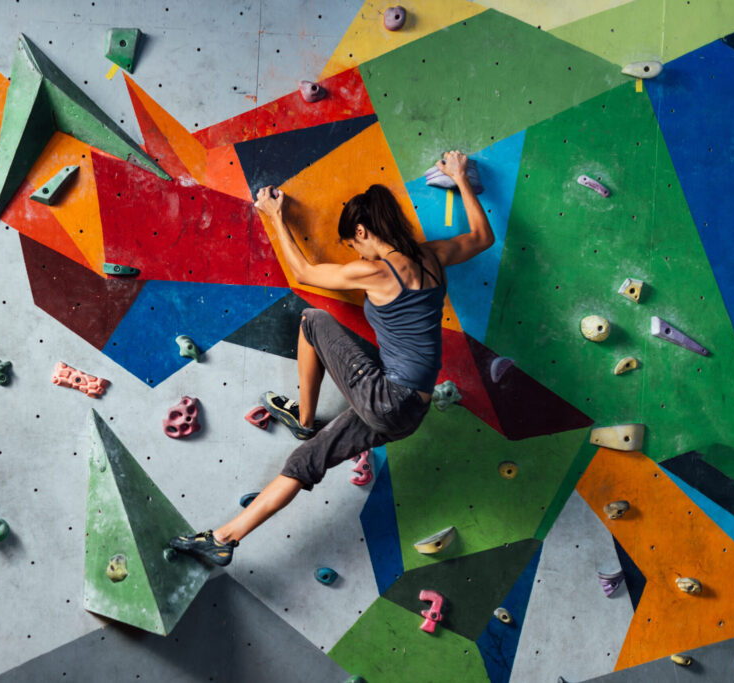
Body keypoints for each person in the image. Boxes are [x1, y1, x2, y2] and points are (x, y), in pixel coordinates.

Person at [169, 151, 494, 566]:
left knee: (312, 320)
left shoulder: (377, 272)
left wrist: (274, 216)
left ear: (362, 230)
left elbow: (304, 274)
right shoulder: (431, 258)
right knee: (304, 464)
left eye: (354, 245)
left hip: (387, 398)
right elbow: (483, 238)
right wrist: (461, 177)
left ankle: (304, 422)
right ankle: (223, 538)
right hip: (410, 413)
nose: (357, 255)